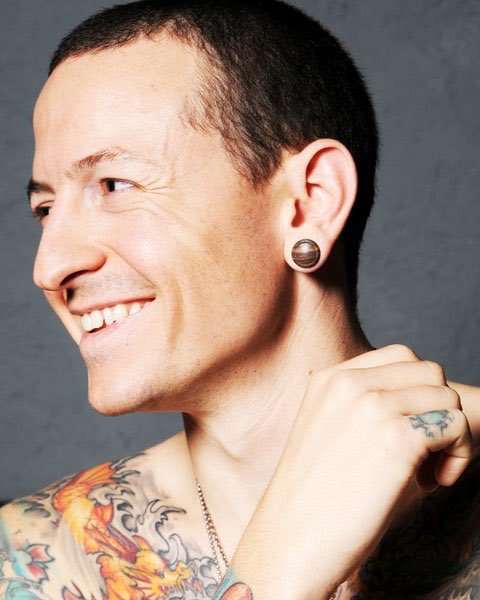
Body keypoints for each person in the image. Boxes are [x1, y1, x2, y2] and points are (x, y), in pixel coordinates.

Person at [0, 1, 479, 598]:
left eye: (115, 185)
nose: (49, 267)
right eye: (45, 209)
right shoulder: (34, 557)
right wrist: (280, 570)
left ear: (310, 203)